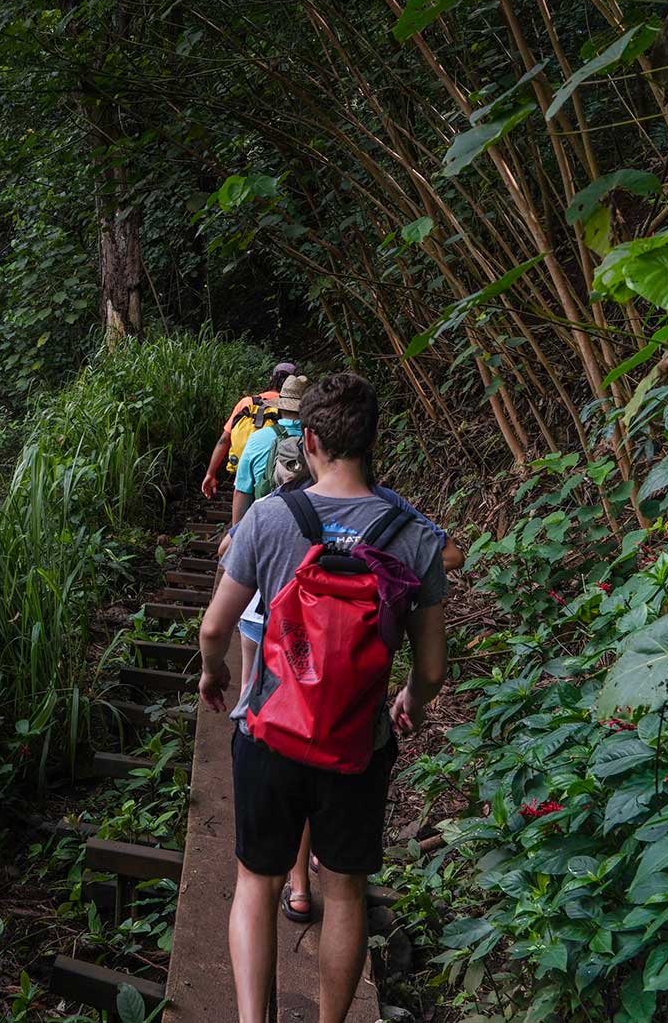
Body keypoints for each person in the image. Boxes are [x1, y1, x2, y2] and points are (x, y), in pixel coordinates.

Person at [197, 372, 450, 1023]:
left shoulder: (271, 518)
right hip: (357, 746)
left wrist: (212, 674)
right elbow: (430, 669)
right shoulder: (416, 535)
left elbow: (214, 628)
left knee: (256, 883)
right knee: (345, 894)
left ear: (308, 440)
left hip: (269, 734)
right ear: (373, 442)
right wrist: (409, 705)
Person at [200, 362, 299, 499]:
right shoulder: (287, 407)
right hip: (271, 474)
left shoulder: (245, 402)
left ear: (271, 379)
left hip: (242, 468)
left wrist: (211, 473)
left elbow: (224, 440)